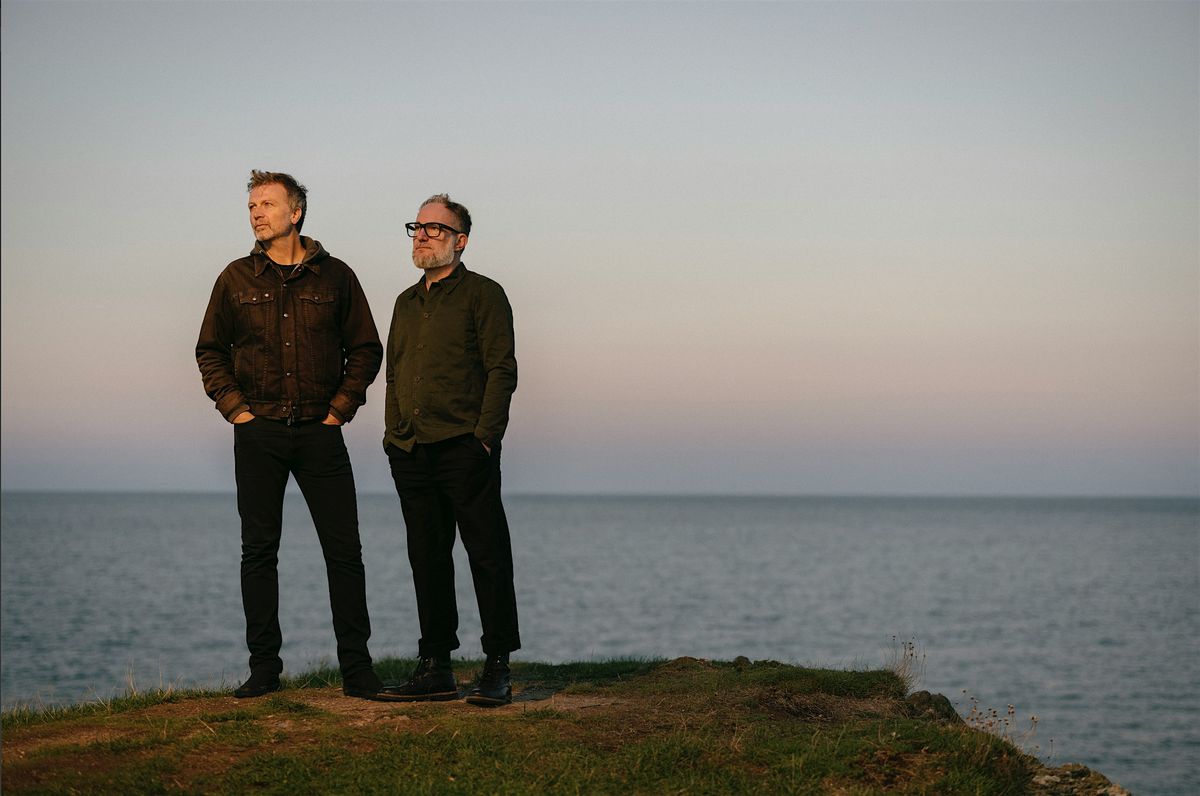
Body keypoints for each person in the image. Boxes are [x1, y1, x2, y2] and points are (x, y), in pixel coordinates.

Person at [196, 170, 392, 700]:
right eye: (251, 205)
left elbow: (366, 349)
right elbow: (210, 351)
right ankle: (264, 670)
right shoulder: (235, 278)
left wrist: (340, 410)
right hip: (257, 431)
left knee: (344, 551)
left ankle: (358, 671)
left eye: (266, 203)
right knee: (258, 552)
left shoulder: (337, 277)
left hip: (319, 433)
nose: (256, 213)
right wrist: (236, 410)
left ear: (296, 211)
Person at [380, 194, 520, 706]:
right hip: (411, 448)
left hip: (465, 445)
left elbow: (502, 369)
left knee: (487, 555)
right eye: (417, 226)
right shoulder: (404, 302)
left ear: (461, 241)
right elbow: (394, 372)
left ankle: (497, 666)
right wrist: (393, 434)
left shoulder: (484, 294)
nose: (421, 235)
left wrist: (485, 436)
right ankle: (436, 666)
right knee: (427, 558)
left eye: (434, 228)